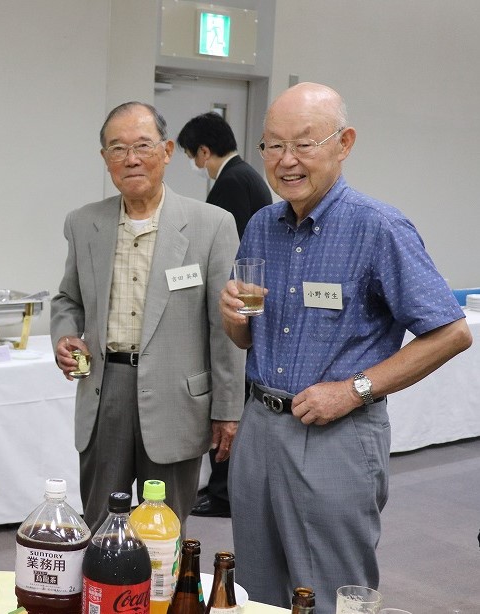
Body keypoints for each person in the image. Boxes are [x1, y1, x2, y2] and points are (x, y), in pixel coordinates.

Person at [219, 82, 472, 612]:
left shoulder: (378, 227)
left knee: (330, 593)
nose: (286, 160)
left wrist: (354, 390)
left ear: (344, 143)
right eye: (273, 145)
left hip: (335, 433)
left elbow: (452, 333)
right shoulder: (262, 226)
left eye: (303, 143)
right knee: (255, 592)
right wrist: (234, 319)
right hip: (260, 427)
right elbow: (248, 335)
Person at [50, 101, 246, 531]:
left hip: (177, 397)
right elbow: (68, 299)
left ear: (167, 150)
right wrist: (65, 336)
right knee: (100, 526)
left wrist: (228, 409)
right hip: (105, 391)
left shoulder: (212, 225)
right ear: (105, 158)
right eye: (118, 149)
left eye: (142, 146)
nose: (131, 159)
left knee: (165, 531)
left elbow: (225, 327)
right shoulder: (84, 223)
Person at [176, 111, 274, 519]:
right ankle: (224, 490)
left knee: (228, 398)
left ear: (203, 151)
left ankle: (222, 493)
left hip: (236, 303)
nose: (193, 163)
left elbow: (221, 256)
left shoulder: (231, 182)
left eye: (190, 155)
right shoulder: (247, 175)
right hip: (245, 301)